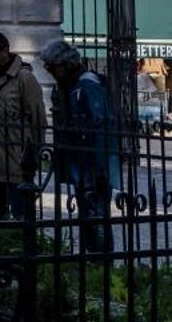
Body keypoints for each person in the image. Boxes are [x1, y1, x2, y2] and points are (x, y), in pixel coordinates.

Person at [41, 38, 118, 255]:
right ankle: (94, 259)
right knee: (88, 218)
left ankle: (100, 262)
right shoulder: (70, 86)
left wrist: (101, 169)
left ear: (66, 65)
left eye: (52, 67)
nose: (50, 72)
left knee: (97, 220)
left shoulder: (87, 85)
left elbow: (100, 127)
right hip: (82, 165)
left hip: (92, 168)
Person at [0, 31, 45, 221]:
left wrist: (35, 152)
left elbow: (38, 118)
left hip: (17, 161)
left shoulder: (24, 77)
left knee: (21, 217)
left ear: (5, 50)